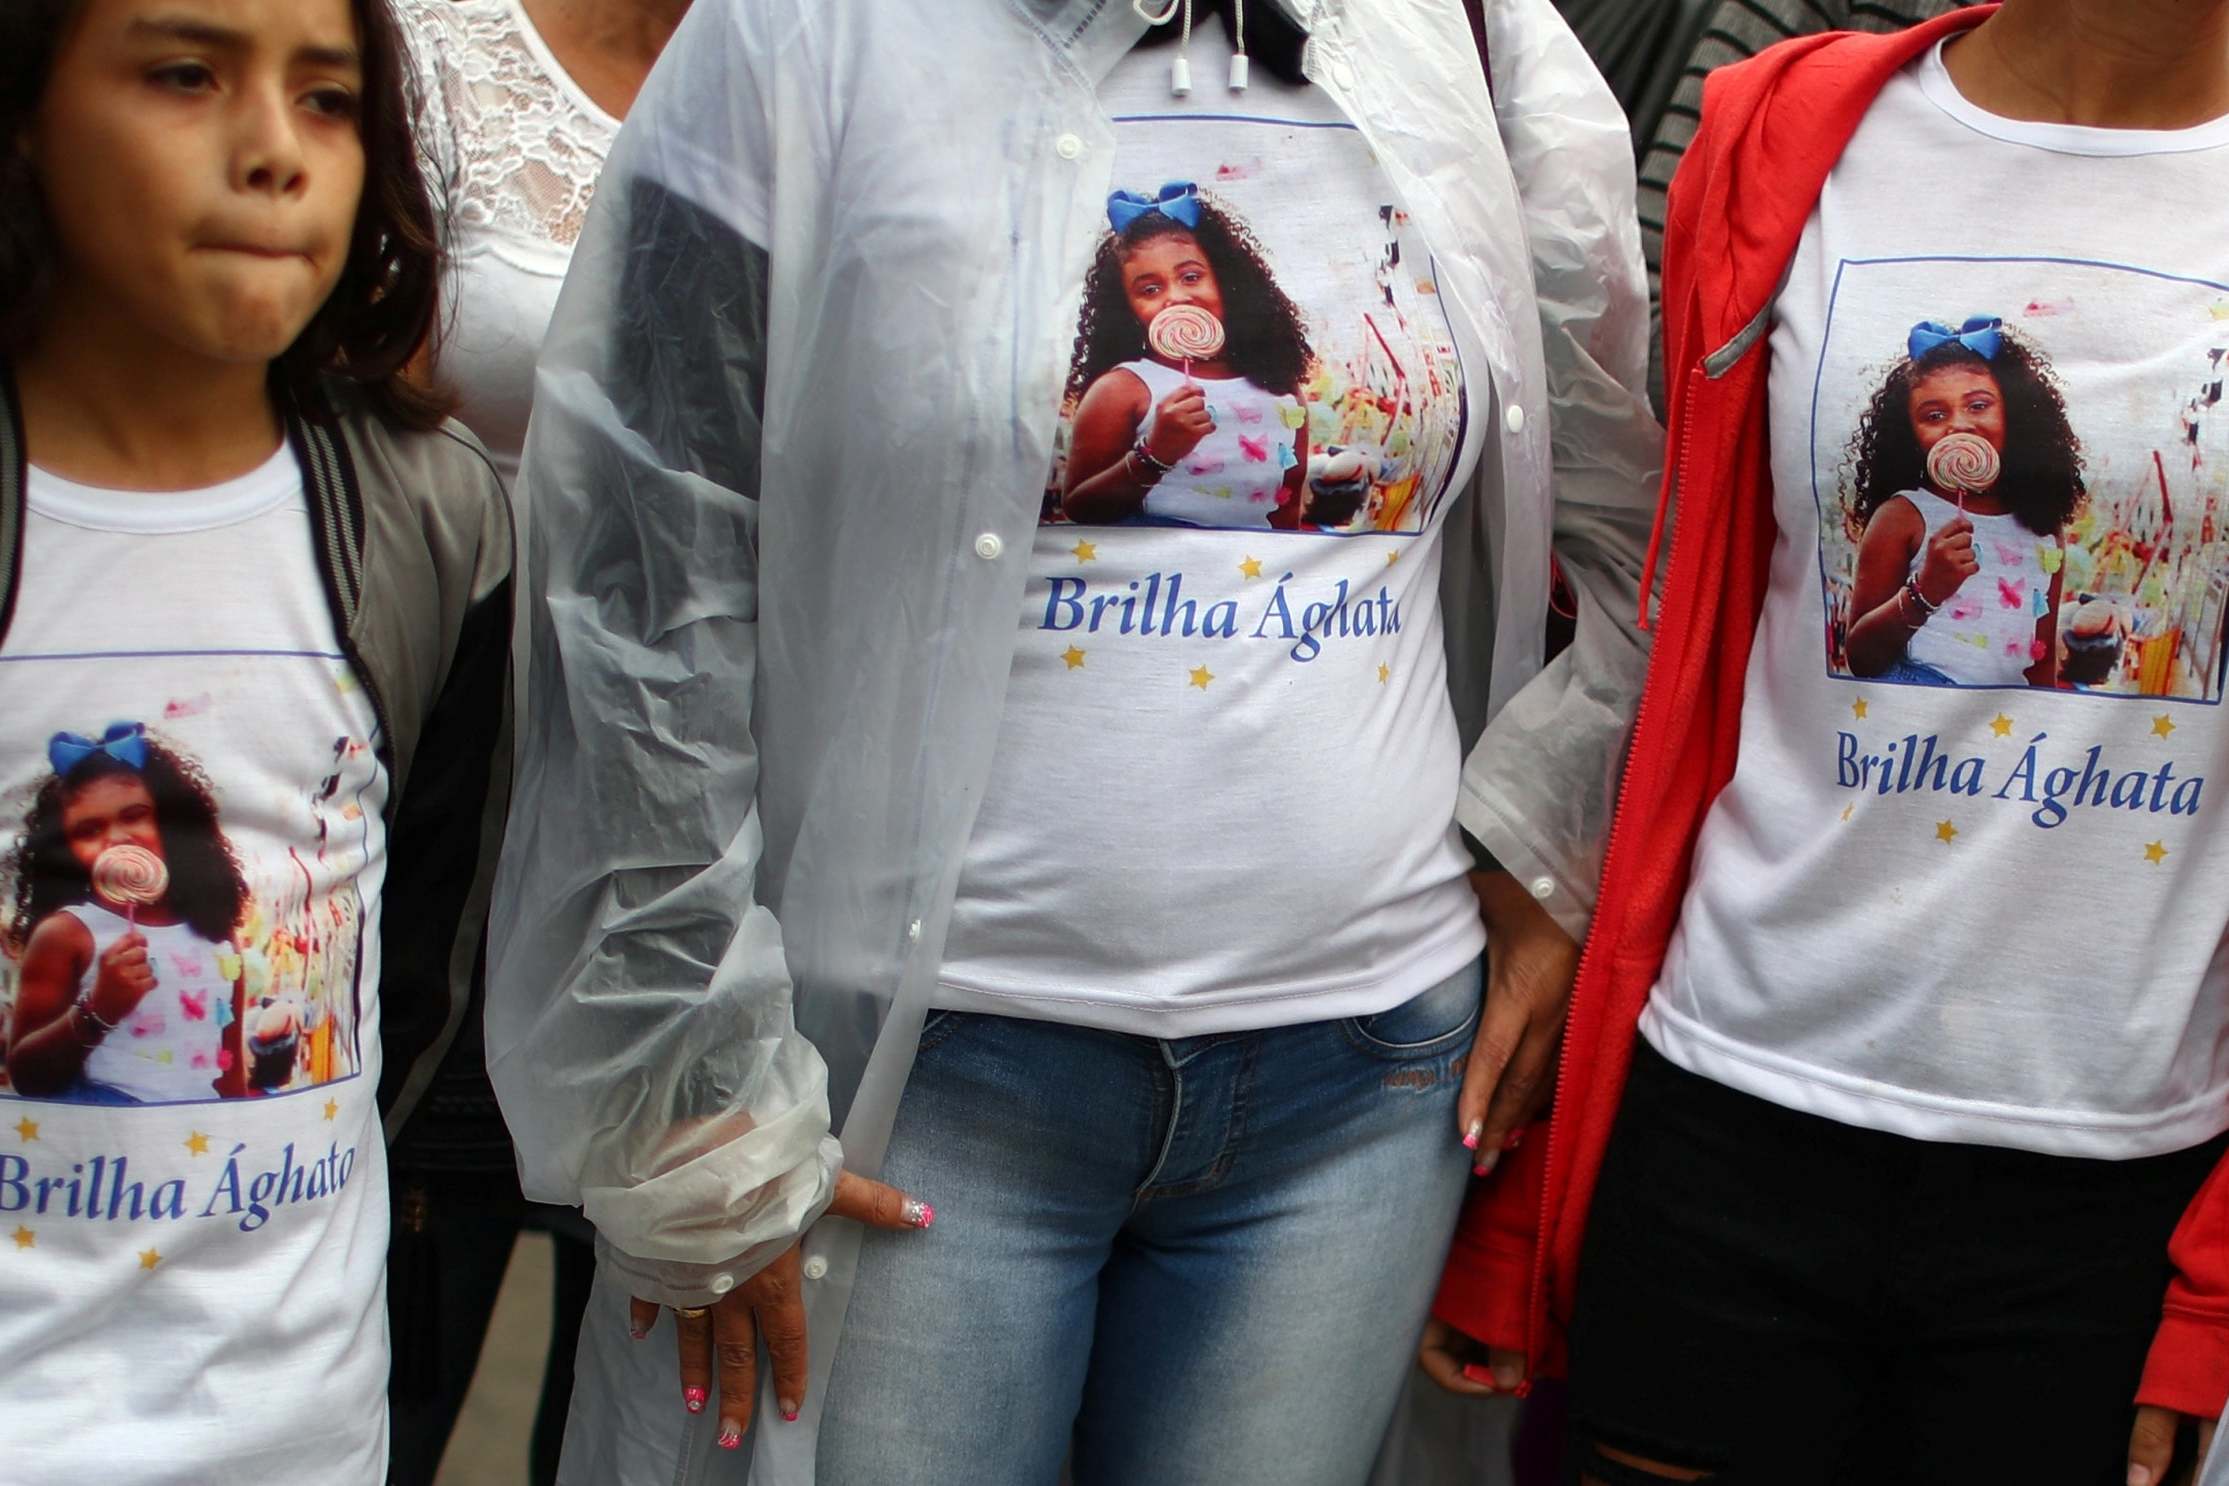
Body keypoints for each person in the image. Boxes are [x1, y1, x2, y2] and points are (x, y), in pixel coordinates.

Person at [485, 0, 1660, 1480]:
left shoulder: (1468, 36)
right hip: (923, 1087)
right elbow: (643, 558)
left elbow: (1637, 508)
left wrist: (1554, 855)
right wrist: (688, 1079)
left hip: (1365, 1088)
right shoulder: (804, 35)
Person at [1427, 4, 2229, 1483]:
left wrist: (2211, 1296)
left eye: (1980, 401)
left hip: (2109, 1168)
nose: (1960, 419)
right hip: (1728, 1108)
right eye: (1938, 404)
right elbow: (1681, 618)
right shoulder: (1780, 128)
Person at [0, 1, 512, 1481]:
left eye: (331, 98)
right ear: (26, 110)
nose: (275, 152)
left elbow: (414, 962)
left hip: (298, 1435)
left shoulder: (430, 519)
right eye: (184, 74)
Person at [382, 4, 686, 1481]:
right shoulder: (430, 50)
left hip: (697, 884)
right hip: (446, 853)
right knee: (392, 1384)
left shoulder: (854, 67)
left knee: (650, 1427)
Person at [5, 725, 250, 1102]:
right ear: (67, 849)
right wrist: (100, 1008)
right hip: (107, 1143)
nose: (117, 838)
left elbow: (230, 1073)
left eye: (134, 816)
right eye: (89, 830)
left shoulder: (216, 933)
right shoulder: (67, 933)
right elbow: (27, 1075)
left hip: (197, 1135)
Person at [1840, 316, 2080, 688]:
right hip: (1922, 699)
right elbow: (1860, 658)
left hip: (2001, 713)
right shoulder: (1903, 516)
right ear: (1909, 433)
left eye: (1979, 405)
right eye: (1934, 415)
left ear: (2014, 413)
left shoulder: (2043, 526)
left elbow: (2040, 658)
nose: (1959, 425)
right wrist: (1927, 589)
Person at [1060, 182, 1312, 529]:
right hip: (1157, 579)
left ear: (1228, 279)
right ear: (1126, 308)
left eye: (1191, 277)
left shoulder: (1280, 390)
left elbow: (1287, 505)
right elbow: (1081, 508)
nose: (1175, 297)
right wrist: (1156, 453)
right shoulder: (1122, 389)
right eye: (1150, 289)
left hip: (1248, 575)